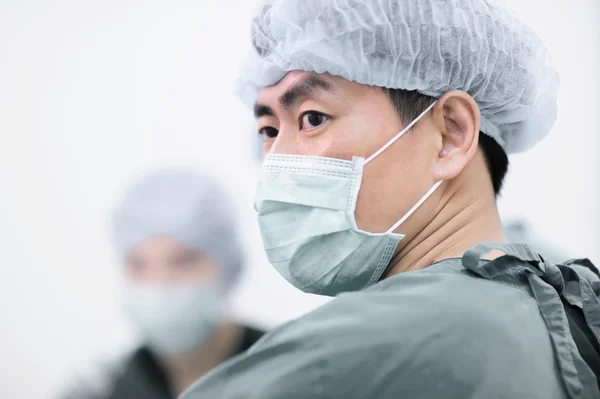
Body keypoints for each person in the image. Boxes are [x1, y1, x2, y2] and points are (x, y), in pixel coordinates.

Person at [180, 0, 600, 398]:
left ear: (450, 135)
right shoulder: (557, 306)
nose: (276, 162)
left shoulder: (381, 343)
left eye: (312, 118)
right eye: (269, 130)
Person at [60, 170, 264, 399]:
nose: (160, 283)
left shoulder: (296, 371)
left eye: (183, 261)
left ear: (227, 266)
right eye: (139, 265)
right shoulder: (98, 389)